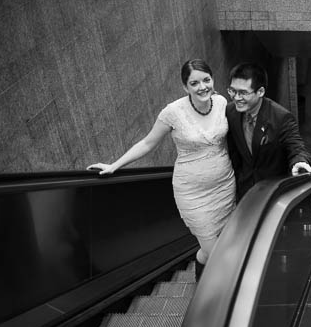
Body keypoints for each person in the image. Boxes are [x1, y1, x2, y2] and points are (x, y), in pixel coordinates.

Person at [87, 59, 236, 278]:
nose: (202, 87)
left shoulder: (222, 102)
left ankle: (201, 277)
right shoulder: (173, 112)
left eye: (206, 80)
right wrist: (115, 165)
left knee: (212, 249)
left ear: (213, 80)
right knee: (215, 252)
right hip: (193, 193)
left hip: (224, 186)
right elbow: (148, 143)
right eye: (194, 83)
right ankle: (220, 298)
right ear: (185, 87)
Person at [226, 62, 311, 201]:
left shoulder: (281, 117)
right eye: (232, 91)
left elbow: (296, 146)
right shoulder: (230, 112)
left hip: (273, 193)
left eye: (243, 93)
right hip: (244, 190)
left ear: (260, 92)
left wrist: (299, 161)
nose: (237, 98)